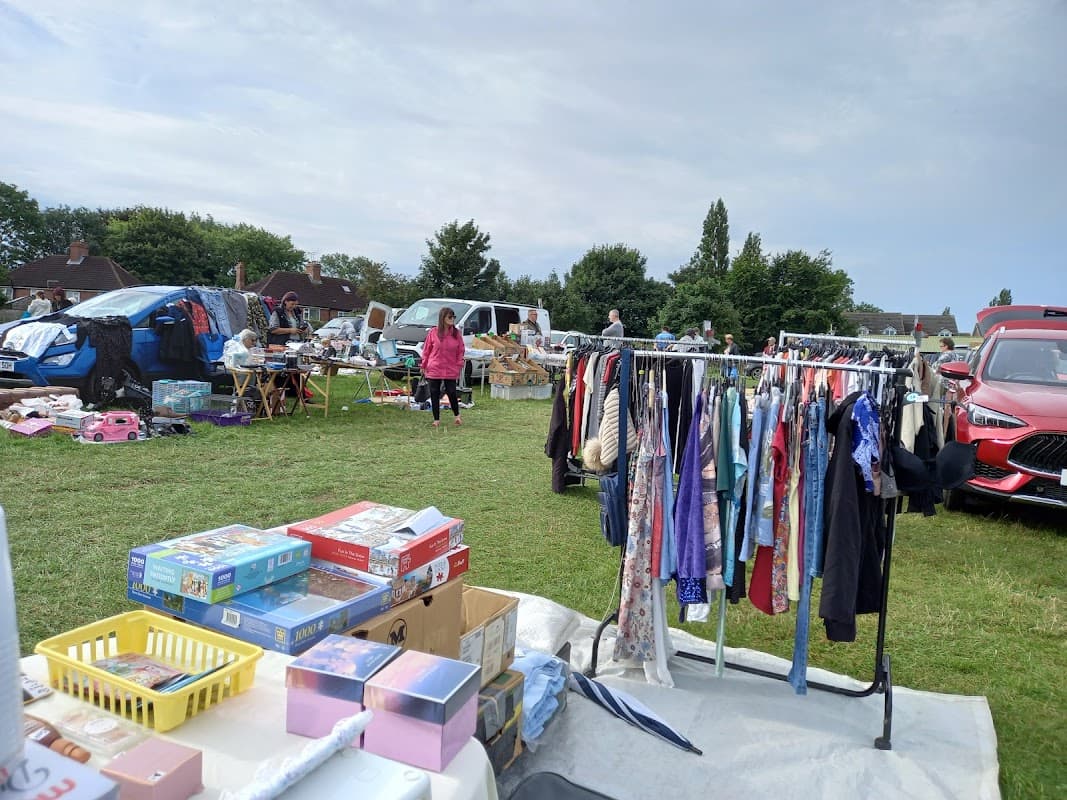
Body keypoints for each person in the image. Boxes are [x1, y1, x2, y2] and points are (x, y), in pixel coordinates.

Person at [421, 306, 465, 427]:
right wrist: (424, 364)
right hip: (434, 366)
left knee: (451, 391)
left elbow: (461, 350)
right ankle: (436, 419)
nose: (452, 319)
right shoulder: (433, 332)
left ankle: (457, 416)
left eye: (453, 317)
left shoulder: (456, 334)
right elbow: (426, 350)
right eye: (450, 317)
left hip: (450, 367)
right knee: (434, 392)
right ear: (443, 318)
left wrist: (459, 363)